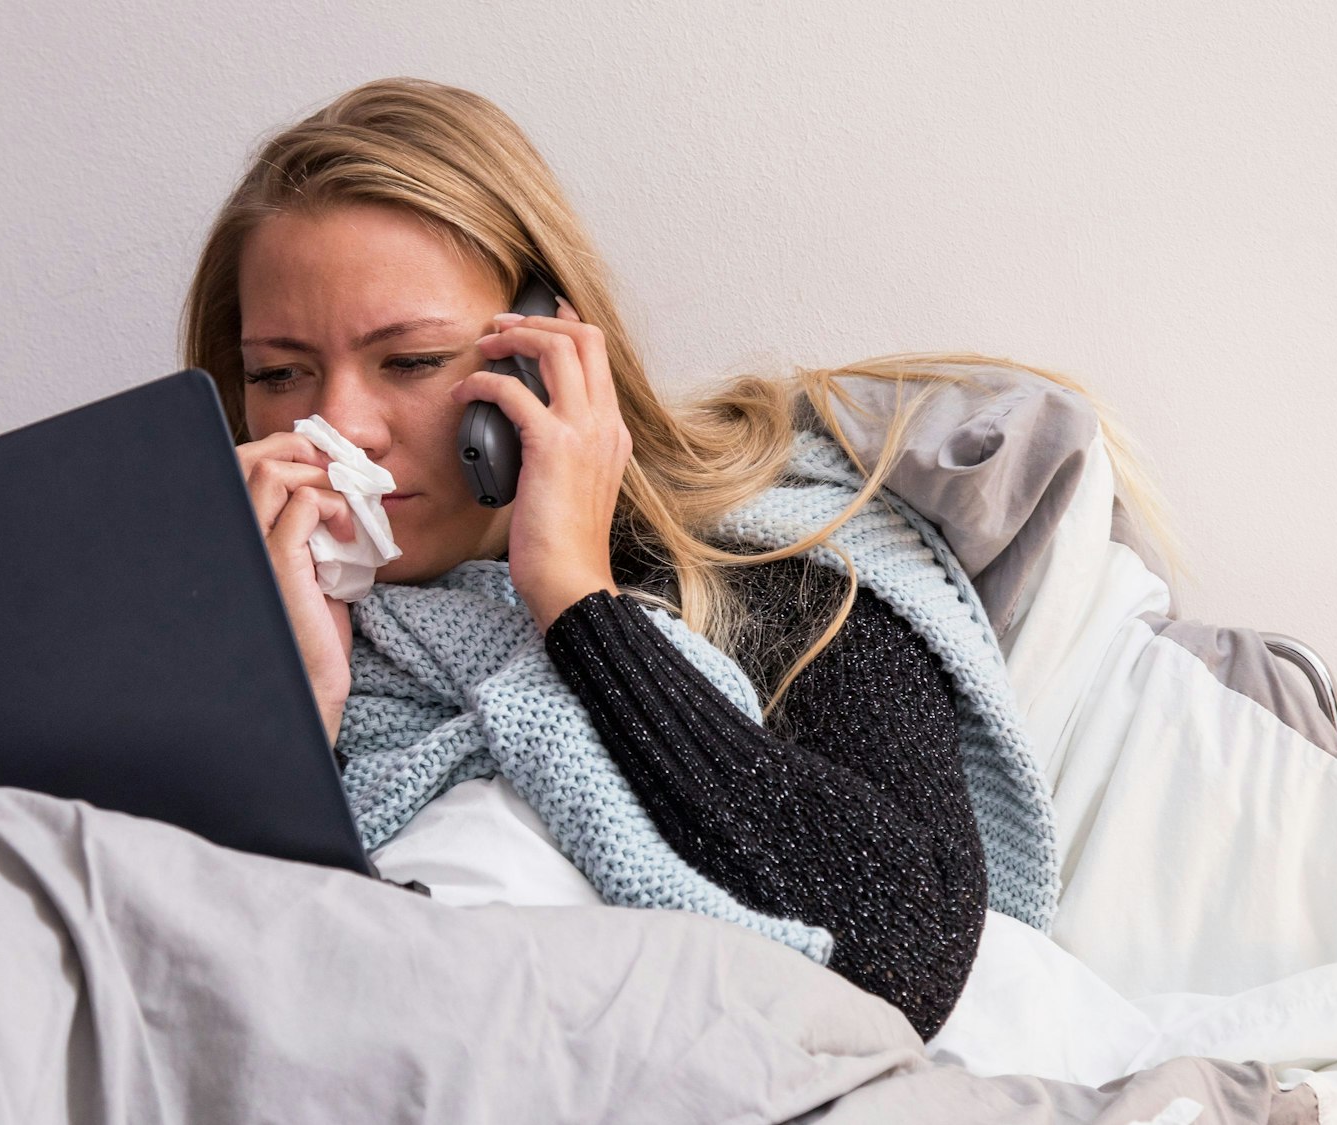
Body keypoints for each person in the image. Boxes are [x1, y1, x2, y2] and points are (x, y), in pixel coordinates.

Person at [180, 77, 1180, 1041]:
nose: (338, 424)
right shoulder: (190, 633)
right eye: (279, 374)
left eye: (409, 362)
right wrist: (292, 707)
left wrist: (576, 602)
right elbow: (200, 982)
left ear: (545, 352)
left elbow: (910, 947)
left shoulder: (769, 569)